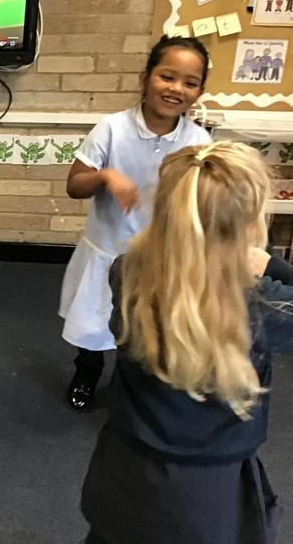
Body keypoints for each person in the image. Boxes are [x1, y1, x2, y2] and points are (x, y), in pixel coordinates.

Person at [80, 141, 293, 543]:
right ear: (248, 223)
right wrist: (273, 264)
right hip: (208, 490)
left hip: (123, 469)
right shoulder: (260, 305)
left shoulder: (130, 271)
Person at [59, 35, 213, 411]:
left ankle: (133, 388)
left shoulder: (198, 140)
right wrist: (105, 176)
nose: (176, 88)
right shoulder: (112, 128)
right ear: (145, 79)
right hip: (108, 249)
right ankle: (87, 371)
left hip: (161, 258)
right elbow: (74, 185)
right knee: (94, 323)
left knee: (149, 329)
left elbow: (205, 199)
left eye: (190, 82)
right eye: (167, 76)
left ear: (199, 92)